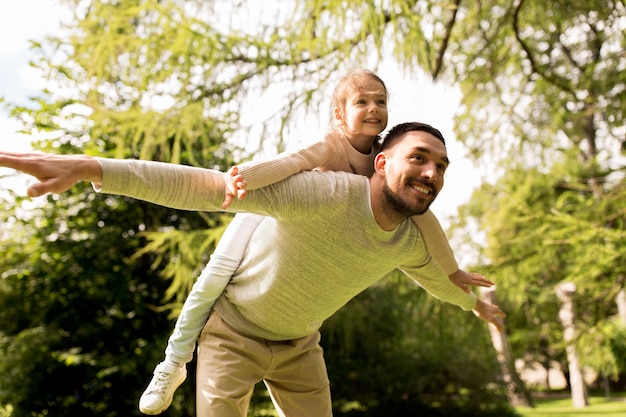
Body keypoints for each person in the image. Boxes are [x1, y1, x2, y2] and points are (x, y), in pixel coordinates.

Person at [0, 121, 505, 417]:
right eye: (419, 158)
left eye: (440, 166)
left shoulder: (411, 240)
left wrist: (475, 306)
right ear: (381, 164)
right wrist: (93, 167)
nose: (431, 174)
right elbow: (210, 188)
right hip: (231, 334)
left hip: (301, 347)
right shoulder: (324, 194)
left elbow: (441, 280)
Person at [134, 70, 493, 414]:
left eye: (380, 102)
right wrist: (239, 177)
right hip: (271, 207)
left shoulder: (388, 164)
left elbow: (427, 225)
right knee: (215, 275)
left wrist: (455, 274)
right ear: (339, 115)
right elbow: (290, 162)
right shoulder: (331, 144)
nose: (373, 109)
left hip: (303, 262)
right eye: (361, 102)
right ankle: (172, 363)